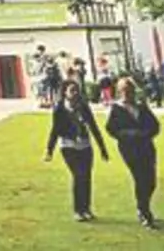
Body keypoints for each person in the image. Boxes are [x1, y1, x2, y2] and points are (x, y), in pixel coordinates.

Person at [45, 79, 110, 222]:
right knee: (78, 175)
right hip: (69, 145)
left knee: (86, 177)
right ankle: (77, 210)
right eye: (71, 90)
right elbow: (55, 130)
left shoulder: (83, 107)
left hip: (85, 145)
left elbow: (93, 127)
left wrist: (102, 148)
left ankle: (86, 209)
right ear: (65, 93)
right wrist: (49, 150)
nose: (74, 93)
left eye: (76, 90)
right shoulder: (60, 109)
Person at [105, 76, 161, 228]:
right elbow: (111, 129)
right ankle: (144, 212)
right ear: (120, 91)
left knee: (151, 181)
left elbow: (155, 126)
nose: (128, 94)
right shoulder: (116, 109)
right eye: (125, 91)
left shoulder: (142, 107)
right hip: (130, 149)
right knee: (140, 178)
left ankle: (143, 205)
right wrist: (129, 134)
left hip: (146, 147)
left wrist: (145, 134)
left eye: (131, 90)